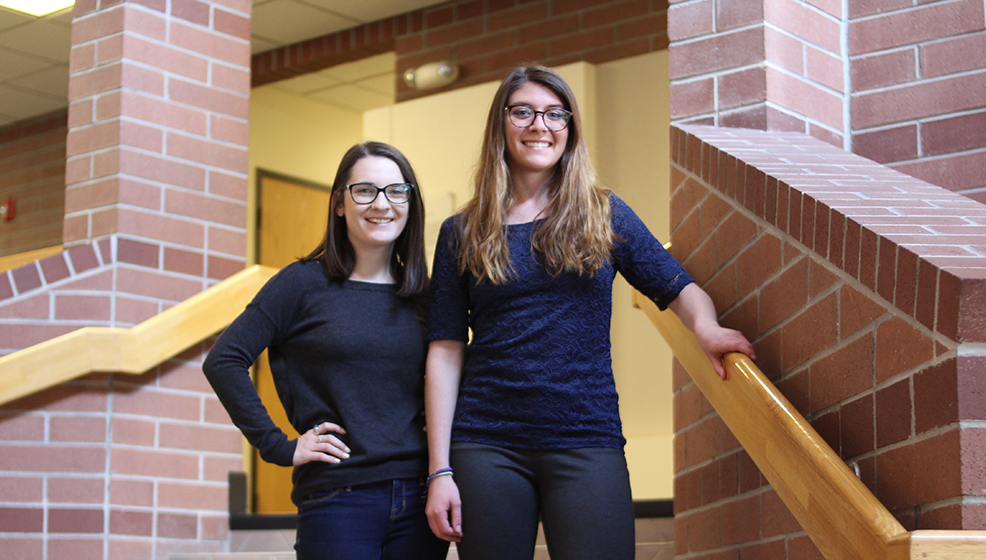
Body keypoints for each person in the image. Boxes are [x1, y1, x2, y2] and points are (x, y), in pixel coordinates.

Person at [423, 66, 755, 560]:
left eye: (556, 113)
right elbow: (446, 351)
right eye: (524, 112)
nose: (541, 124)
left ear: (570, 128)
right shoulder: (462, 231)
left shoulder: (604, 213)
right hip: (486, 443)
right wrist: (440, 470)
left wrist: (705, 327)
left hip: (586, 437)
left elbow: (678, 286)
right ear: (501, 125)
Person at [203, 142, 449, 560]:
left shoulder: (424, 295)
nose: (382, 204)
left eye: (396, 191)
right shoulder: (300, 284)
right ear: (339, 203)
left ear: (410, 202)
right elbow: (224, 360)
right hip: (339, 497)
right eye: (365, 190)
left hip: (419, 494)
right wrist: (280, 446)